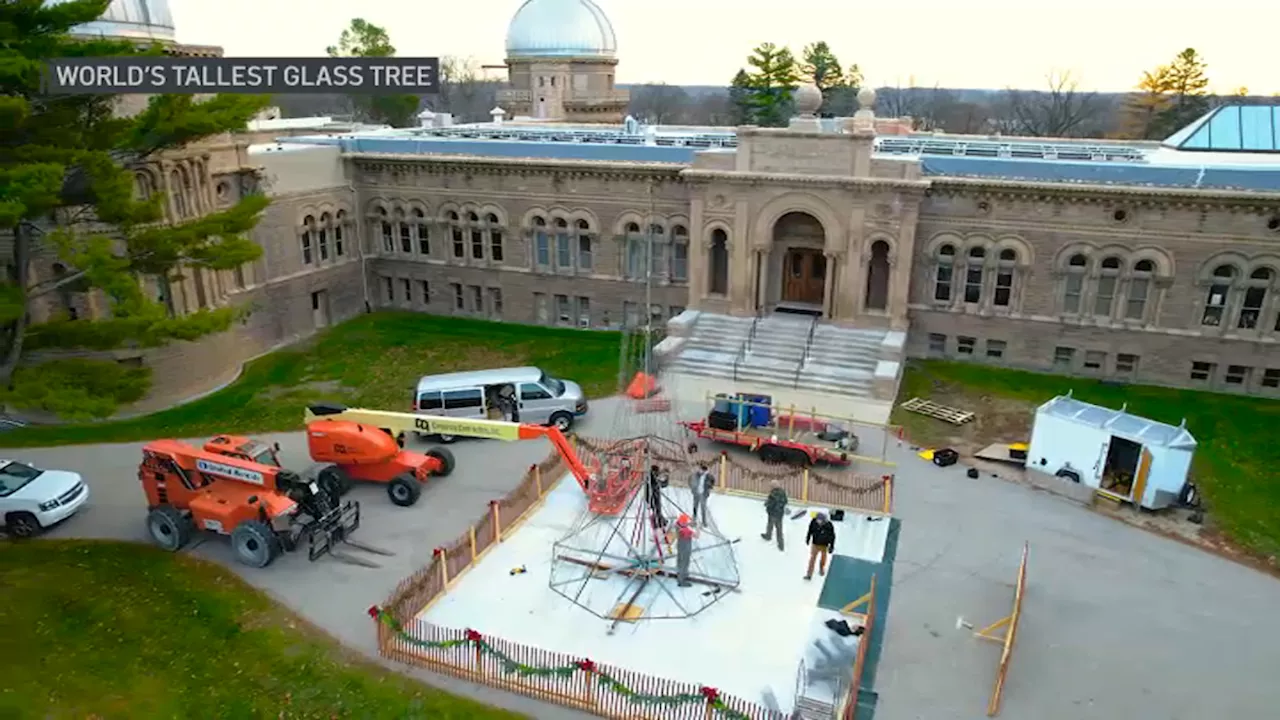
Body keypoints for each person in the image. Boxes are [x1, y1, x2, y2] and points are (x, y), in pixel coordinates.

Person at [805, 512, 836, 580]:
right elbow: (810, 530)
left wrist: (831, 546)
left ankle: (821, 568)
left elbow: (832, 536)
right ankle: (809, 574)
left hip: (824, 545)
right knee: (812, 559)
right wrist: (808, 538)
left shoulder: (829, 525)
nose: (818, 522)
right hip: (815, 543)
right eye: (817, 520)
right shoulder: (813, 522)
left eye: (820, 521)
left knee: (823, 558)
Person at [762, 480, 788, 551]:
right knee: (779, 528)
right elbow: (785, 501)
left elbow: (770, 502)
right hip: (779, 514)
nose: (770, 487)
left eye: (771, 486)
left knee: (770, 525)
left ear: (773, 486)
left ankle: (768, 536)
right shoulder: (782, 492)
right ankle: (781, 545)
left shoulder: (773, 493)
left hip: (773, 513)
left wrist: (766, 504)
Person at [672, 513, 697, 587]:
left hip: (680, 545)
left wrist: (690, 523)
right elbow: (696, 535)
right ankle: (682, 580)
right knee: (685, 562)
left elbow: (684, 524)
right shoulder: (686, 531)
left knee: (680, 560)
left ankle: (679, 573)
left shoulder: (677, 525)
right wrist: (698, 528)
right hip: (686, 547)